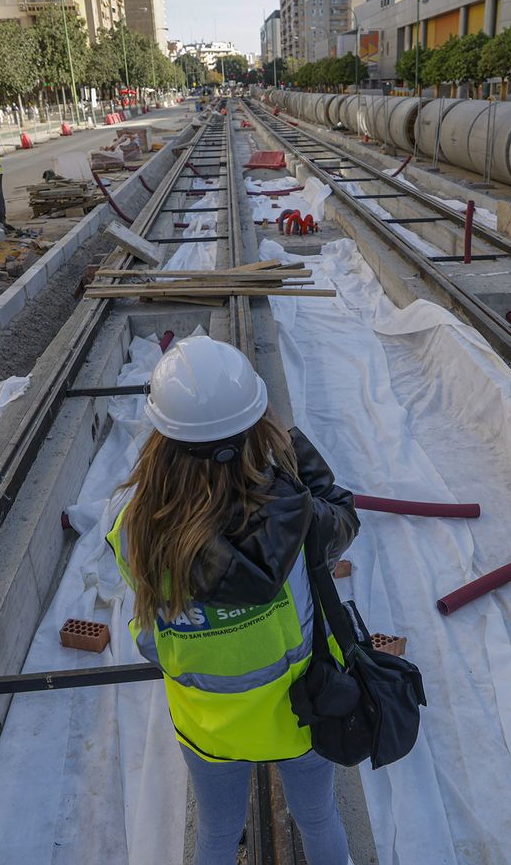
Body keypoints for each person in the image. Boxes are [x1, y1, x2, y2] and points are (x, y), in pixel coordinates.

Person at [108, 337, 359, 865]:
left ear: (161, 436)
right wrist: (294, 455)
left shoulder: (133, 531)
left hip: (208, 725)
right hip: (302, 710)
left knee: (219, 837)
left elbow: (151, 642)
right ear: (255, 430)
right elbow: (343, 519)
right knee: (318, 818)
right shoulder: (295, 520)